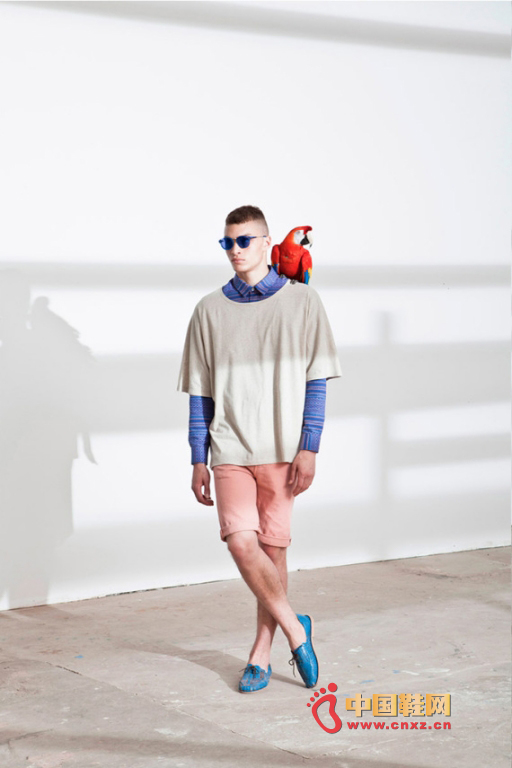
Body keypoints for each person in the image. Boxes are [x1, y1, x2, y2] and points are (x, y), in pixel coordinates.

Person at [176, 205, 341, 693]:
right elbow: (200, 393)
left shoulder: (303, 301)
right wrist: (198, 457)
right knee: (241, 543)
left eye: (244, 240)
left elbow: (316, 380)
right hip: (229, 448)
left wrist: (310, 446)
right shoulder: (208, 310)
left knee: (272, 550)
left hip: (283, 450)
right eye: (227, 242)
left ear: (267, 242)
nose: (235, 250)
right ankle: (297, 630)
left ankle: (261, 653)